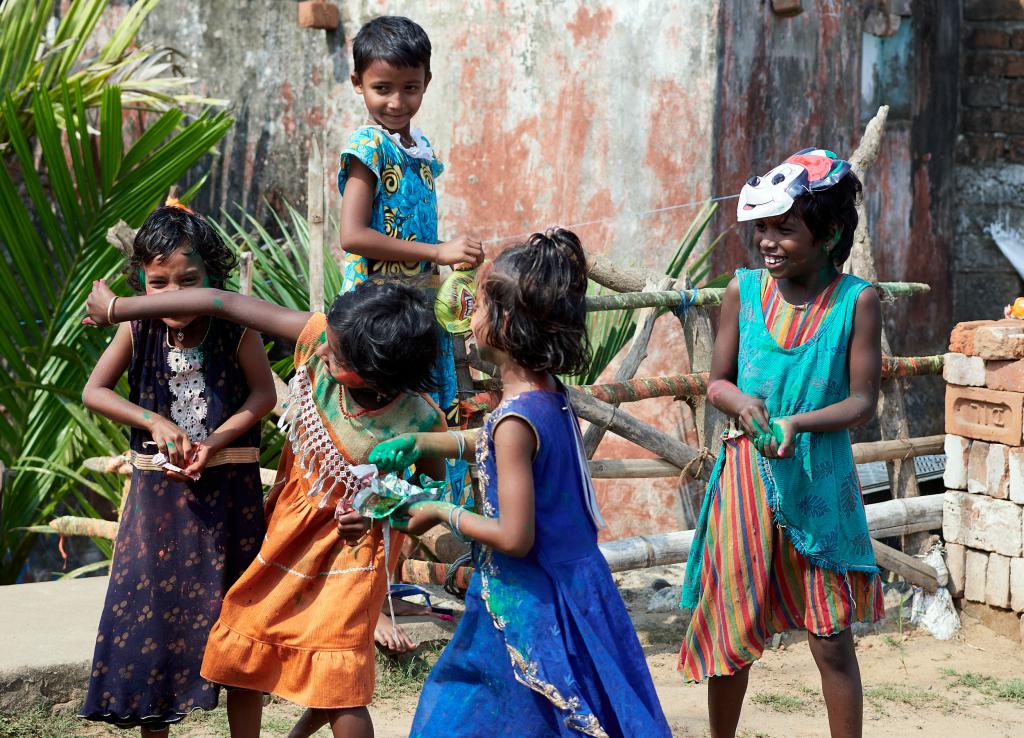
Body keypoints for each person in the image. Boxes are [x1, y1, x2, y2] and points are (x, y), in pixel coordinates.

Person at [84, 278, 448, 738]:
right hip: (283, 537)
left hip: (351, 558)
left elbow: (429, 491)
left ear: (378, 371)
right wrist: (119, 306)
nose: (322, 354)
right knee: (244, 650)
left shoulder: (420, 420)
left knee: (342, 683)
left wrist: (378, 509)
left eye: (337, 358)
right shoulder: (321, 336)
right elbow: (221, 301)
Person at [368, 230, 673, 738]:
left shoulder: (514, 420)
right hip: (574, 588)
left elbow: (515, 536)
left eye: (481, 304)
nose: (470, 315)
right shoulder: (548, 396)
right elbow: (496, 444)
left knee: (463, 715)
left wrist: (440, 512)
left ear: (507, 323)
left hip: (526, 601)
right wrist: (427, 443)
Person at [679, 149, 884, 738]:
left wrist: (798, 424)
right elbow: (717, 381)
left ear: (829, 234)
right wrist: (740, 403)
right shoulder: (741, 293)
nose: (768, 242)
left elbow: (862, 402)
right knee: (732, 629)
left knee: (832, 640)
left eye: (784, 229)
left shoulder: (856, 301)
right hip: (744, 480)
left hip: (818, 484)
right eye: (761, 229)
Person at [78, 204, 276, 736]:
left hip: (230, 501)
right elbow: (93, 391)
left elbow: (263, 393)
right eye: (158, 282)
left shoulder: (235, 327)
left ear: (212, 276)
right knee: (153, 628)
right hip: (157, 508)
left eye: (188, 280)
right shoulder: (137, 327)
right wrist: (153, 421)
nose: (173, 293)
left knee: (238, 628)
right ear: (141, 280)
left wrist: (214, 441)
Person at [337, 14, 482, 508]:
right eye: (382, 88)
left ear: (427, 83)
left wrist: (451, 263)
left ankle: (439, 527)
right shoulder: (368, 147)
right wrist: (437, 253)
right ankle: (387, 526)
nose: (396, 102)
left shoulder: (419, 149)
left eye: (410, 88)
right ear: (358, 84)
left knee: (432, 411)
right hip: (379, 312)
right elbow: (353, 235)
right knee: (388, 411)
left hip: (419, 303)